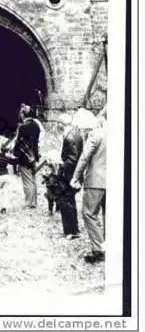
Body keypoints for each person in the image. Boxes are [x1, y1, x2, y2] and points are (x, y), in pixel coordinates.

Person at [70, 111, 106, 264]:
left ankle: (99, 250)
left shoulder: (97, 134)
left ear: (104, 117)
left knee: (89, 214)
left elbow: (85, 157)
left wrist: (75, 177)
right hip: (116, 181)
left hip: (96, 181)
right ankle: (110, 246)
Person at [55, 113, 83, 240]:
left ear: (62, 124)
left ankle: (70, 231)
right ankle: (74, 229)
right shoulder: (75, 133)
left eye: (59, 123)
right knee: (70, 201)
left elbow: (72, 158)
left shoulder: (70, 137)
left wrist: (61, 166)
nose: (58, 125)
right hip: (73, 174)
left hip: (69, 175)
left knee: (66, 202)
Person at [13, 103, 41, 209]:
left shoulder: (23, 126)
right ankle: (34, 202)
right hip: (34, 155)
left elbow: (18, 142)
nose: (20, 115)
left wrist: (14, 153)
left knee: (27, 180)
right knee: (33, 179)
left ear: (23, 115)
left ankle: (28, 202)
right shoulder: (36, 125)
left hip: (24, 156)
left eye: (21, 113)